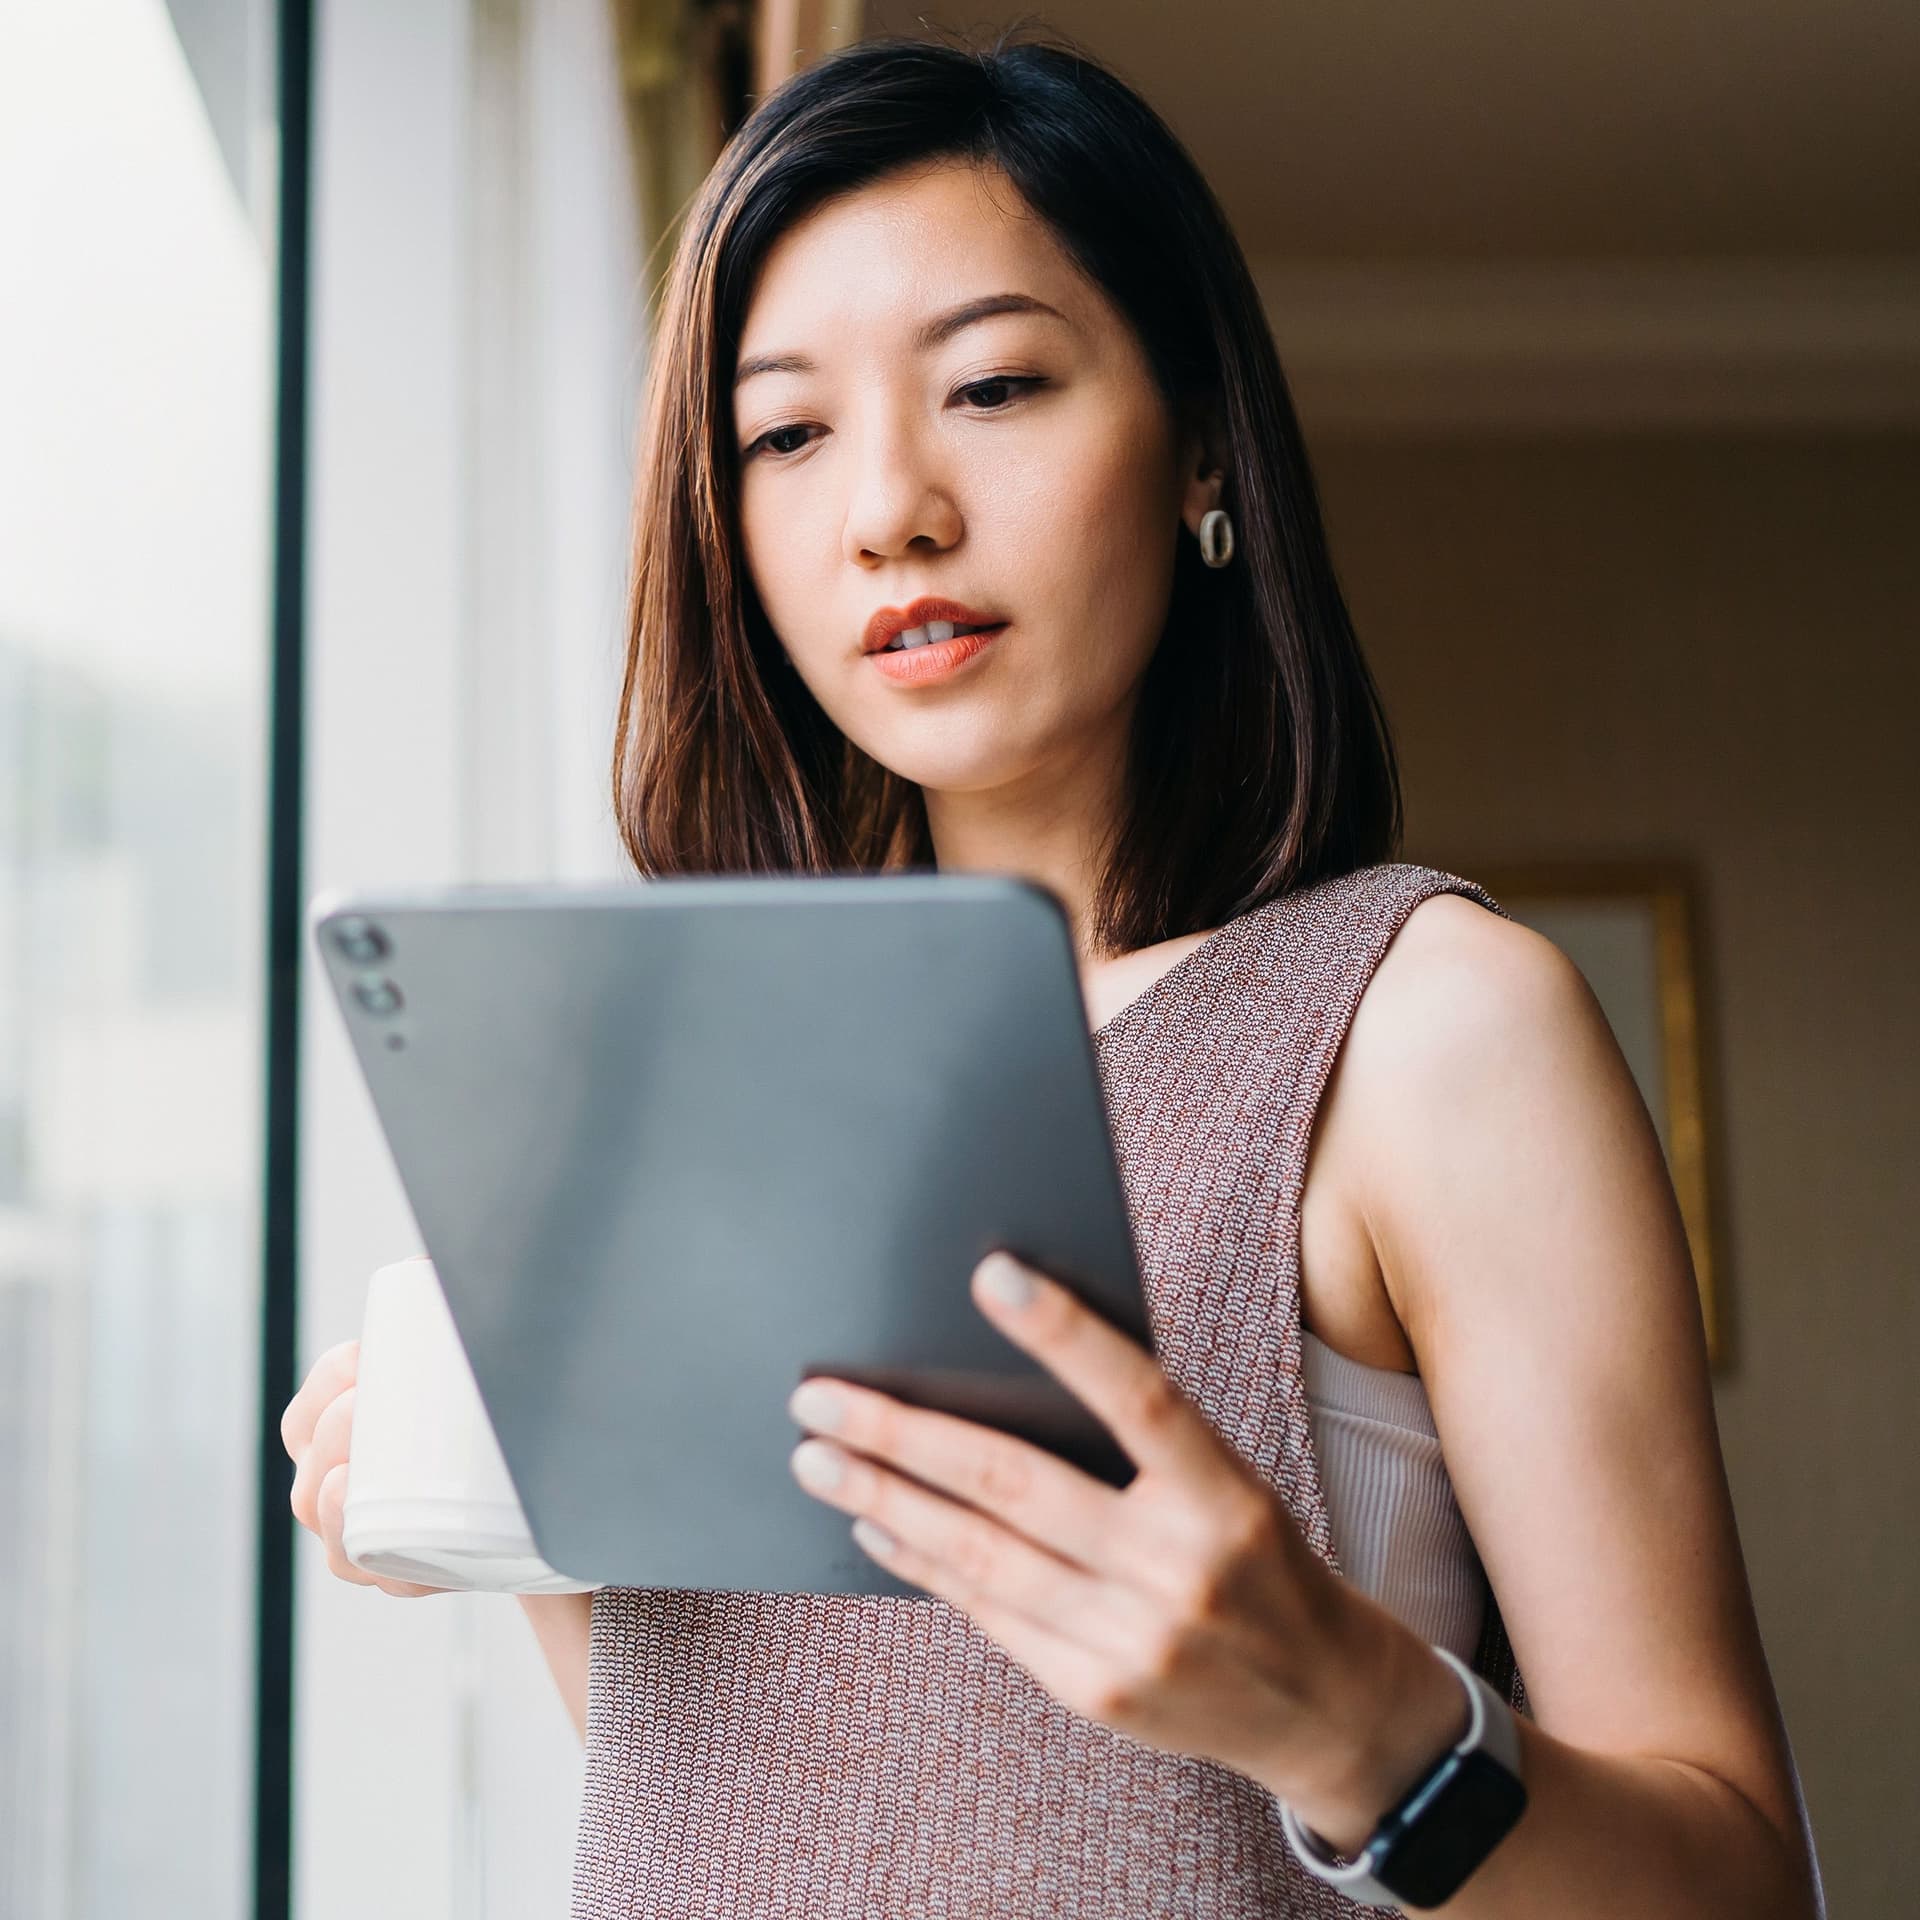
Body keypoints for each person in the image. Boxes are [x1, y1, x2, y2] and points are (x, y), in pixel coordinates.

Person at [282, 26, 1824, 1918]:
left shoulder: (1424, 1028)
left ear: (1196, 448)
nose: (890, 508)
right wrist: (514, 1520)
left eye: (994, 384)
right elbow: (793, 1805)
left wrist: (1347, 1715)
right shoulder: (716, 1089)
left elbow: (1741, 1884)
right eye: (785, 431)